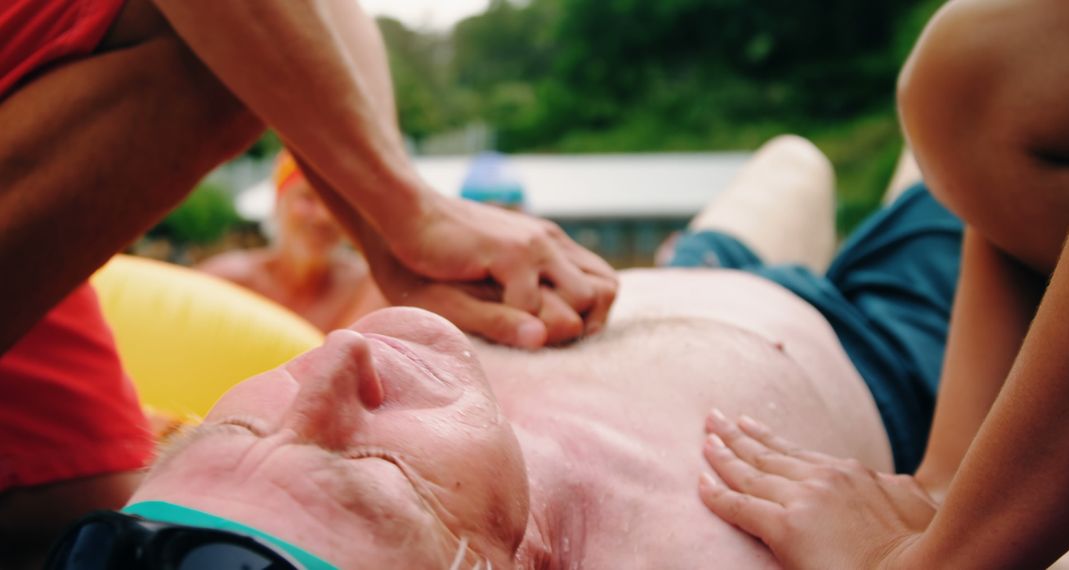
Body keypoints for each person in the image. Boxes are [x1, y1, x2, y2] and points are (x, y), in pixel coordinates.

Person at [44, 136, 963, 569]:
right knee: (965, 126)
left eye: (230, 427)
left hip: (658, 283)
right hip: (875, 353)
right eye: (366, 470)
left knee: (795, 159)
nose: (329, 367)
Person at [0, 0, 615, 562]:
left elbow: (336, 13)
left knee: (97, 511)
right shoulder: (231, 276)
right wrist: (406, 212)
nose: (341, 354)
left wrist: (390, 230)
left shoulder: (370, 291)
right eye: (306, 197)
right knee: (230, 52)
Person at [696, 0, 1069, 567]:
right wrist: (948, 479)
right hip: (773, 310)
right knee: (958, 89)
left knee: (806, 156)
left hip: (869, 345)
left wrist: (937, 558)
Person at [199, 150, 388, 333]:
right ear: (278, 202)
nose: (325, 216)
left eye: (338, 204)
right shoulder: (226, 280)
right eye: (308, 197)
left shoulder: (369, 287)